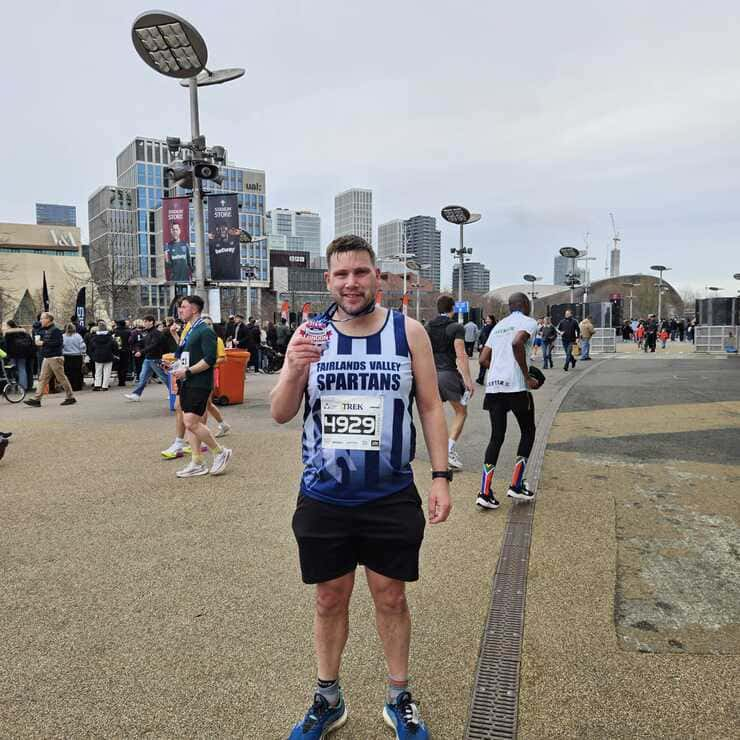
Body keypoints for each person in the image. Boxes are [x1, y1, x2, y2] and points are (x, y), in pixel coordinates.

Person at [272, 234, 450, 739]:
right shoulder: (309, 334)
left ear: (378, 278)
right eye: (341, 274)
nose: (351, 283)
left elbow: (432, 407)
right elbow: (283, 413)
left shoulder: (408, 332)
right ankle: (327, 698)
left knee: (390, 596)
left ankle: (399, 696)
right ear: (329, 280)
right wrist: (293, 367)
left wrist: (440, 478)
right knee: (329, 597)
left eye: (360, 272)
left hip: (390, 493)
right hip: (325, 495)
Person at [476, 292, 540, 510]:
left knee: (496, 437)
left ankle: (485, 492)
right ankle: (516, 484)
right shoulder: (528, 322)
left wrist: (498, 368)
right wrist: (526, 375)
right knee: (528, 431)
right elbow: (517, 342)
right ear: (524, 305)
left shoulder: (498, 325)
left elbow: (483, 359)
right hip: (516, 386)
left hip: (494, 387)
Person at [167, 295, 232, 478]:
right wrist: (175, 366)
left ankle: (220, 452)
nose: (180, 310)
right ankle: (197, 461)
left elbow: (210, 359)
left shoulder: (205, 331)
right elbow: (182, 353)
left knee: (191, 422)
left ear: (194, 309)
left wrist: (187, 372)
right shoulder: (189, 330)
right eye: (180, 307)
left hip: (199, 383)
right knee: (189, 422)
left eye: (184, 307)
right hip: (187, 381)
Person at [426, 295, 475, 469]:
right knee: (461, 412)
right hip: (448, 374)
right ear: (452, 308)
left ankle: (438, 458)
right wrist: (468, 380)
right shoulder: (456, 327)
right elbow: (461, 354)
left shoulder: (428, 326)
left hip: (430, 376)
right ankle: (448, 450)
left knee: (435, 416)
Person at [23, 313, 76, 407]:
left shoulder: (55, 330)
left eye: (42, 319)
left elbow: (58, 343)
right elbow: (41, 336)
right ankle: (37, 399)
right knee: (42, 378)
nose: (40, 321)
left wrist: (43, 343)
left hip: (55, 357)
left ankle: (70, 397)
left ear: (48, 319)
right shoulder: (46, 330)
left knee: (61, 378)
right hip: (48, 357)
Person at [124, 316, 170, 401]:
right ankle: (136, 394)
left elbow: (154, 345)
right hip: (148, 358)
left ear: (151, 322)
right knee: (143, 377)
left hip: (156, 358)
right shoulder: (147, 333)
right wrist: (137, 349)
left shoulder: (156, 333)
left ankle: (174, 392)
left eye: (145, 321)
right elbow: (142, 343)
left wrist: (141, 352)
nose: (144, 323)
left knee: (164, 377)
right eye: (144, 321)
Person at [3, 320, 34, 390]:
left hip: (13, 354)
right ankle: (22, 387)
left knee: (12, 369)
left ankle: (13, 386)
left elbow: (6, 345)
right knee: (22, 369)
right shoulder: (23, 331)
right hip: (23, 354)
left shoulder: (8, 333)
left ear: (9, 326)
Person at [89, 320, 116, 390]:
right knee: (107, 372)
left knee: (98, 371)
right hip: (108, 355)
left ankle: (97, 385)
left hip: (97, 355)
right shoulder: (110, 337)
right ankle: (105, 386)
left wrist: (92, 354)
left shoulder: (94, 337)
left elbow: (91, 347)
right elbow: (114, 346)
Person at [62, 323, 86, 391]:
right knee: (77, 372)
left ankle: (69, 387)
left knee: (67, 373)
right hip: (77, 356)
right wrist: (83, 355)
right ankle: (77, 387)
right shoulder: (78, 336)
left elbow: (61, 346)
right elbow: (83, 346)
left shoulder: (63, 336)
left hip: (66, 356)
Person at [475, 315, 497, 385]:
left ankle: (495, 378)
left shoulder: (494, 328)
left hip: (490, 348)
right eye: (486, 319)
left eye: (489, 319)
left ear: (492, 320)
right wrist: (480, 344)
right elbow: (480, 337)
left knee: (490, 364)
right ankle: (480, 378)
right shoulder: (484, 327)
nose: (487, 320)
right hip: (483, 347)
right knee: (482, 363)